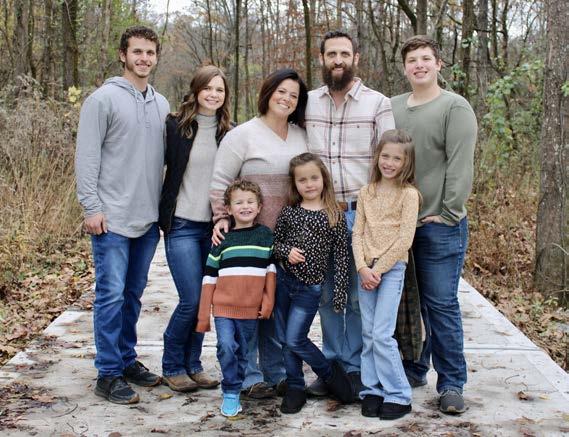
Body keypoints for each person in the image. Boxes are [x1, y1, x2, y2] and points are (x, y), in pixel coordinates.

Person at [75, 26, 170, 404]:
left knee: (132, 296)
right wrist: (91, 207)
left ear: (156, 57)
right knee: (110, 296)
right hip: (111, 219)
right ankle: (108, 373)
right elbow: (86, 156)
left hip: (146, 220)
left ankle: (127, 360)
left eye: (150, 53)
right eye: (137, 52)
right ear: (123, 55)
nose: (144, 58)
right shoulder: (102, 100)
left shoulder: (162, 104)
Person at [305, 30, 395, 399]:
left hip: (362, 216)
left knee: (358, 297)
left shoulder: (378, 104)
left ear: (356, 58)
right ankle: (331, 367)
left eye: (345, 53)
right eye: (331, 54)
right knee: (327, 295)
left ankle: (356, 368)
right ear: (322, 58)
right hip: (321, 216)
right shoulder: (308, 103)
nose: (338, 60)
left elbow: (391, 163)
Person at [210, 68, 309, 398]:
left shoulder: (302, 136)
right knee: (248, 308)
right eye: (281, 91)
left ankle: (275, 372)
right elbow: (220, 182)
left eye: (294, 95)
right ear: (268, 93)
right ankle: (248, 376)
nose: (286, 99)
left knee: (276, 308)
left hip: (289, 239)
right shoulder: (242, 135)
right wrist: (221, 217)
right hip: (250, 239)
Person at [391, 35, 477, 414]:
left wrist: (448, 211)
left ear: (439, 64)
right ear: (405, 67)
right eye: (412, 60)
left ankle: (452, 382)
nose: (419, 65)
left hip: (439, 224)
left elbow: (460, 164)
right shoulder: (392, 107)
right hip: (398, 223)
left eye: (426, 58)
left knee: (439, 304)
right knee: (407, 304)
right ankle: (413, 368)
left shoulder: (454, 107)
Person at [158, 65, 232, 392]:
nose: (213, 94)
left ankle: (194, 364)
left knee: (205, 301)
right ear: (196, 90)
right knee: (190, 299)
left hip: (214, 228)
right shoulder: (175, 126)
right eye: (208, 88)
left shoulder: (230, 132)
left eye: (219, 89)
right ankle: (172, 364)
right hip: (182, 225)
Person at [272, 152, 353, 413]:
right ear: (294, 184)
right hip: (285, 282)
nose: (309, 184)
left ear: (323, 179)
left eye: (314, 178)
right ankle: (295, 387)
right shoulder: (290, 213)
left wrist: (339, 293)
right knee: (285, 339)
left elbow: (341, 257)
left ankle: (329, 373)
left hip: (309, 288)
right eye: (302, 180)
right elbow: (274, 244)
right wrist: (286, 251)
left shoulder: (334, 215)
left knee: (295, 339)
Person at [352, 130, 420, 420]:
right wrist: (362, 268)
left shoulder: (409, 195)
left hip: (390, 270)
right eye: (385, 156)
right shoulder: (366, 192)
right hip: (365, 270)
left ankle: (399, 394)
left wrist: (377, 270)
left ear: (406, 162)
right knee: (368, 333)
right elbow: (357, 233)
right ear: (377, 157)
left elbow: (405, 240)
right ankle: (372, 389)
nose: (389, 163)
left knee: (382, 333)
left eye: (397, 158)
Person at [196, 180, 276, 417]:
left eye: (250, 202)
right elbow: (209, 278)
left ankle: (235, 387)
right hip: (223, 307)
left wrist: (268, 302)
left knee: (242, 352)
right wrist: (203, 316)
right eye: (239, 202)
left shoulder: (265, 236)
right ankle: (230, 391)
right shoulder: (222, 239)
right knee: (226, 346)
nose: (245, 206)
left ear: (259, 207)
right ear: (229, 209)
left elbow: (270, 273)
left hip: (250, 309)